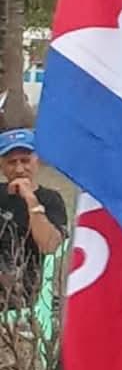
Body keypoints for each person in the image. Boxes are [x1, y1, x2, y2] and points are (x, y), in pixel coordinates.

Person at [0, 128, 67, 310]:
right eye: (12, 162)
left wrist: (31, 199)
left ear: (37, 161)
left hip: (28, 286)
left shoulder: (51, 199)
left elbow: (50, 246)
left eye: (25, 161)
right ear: (2, 166)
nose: (20, 169)